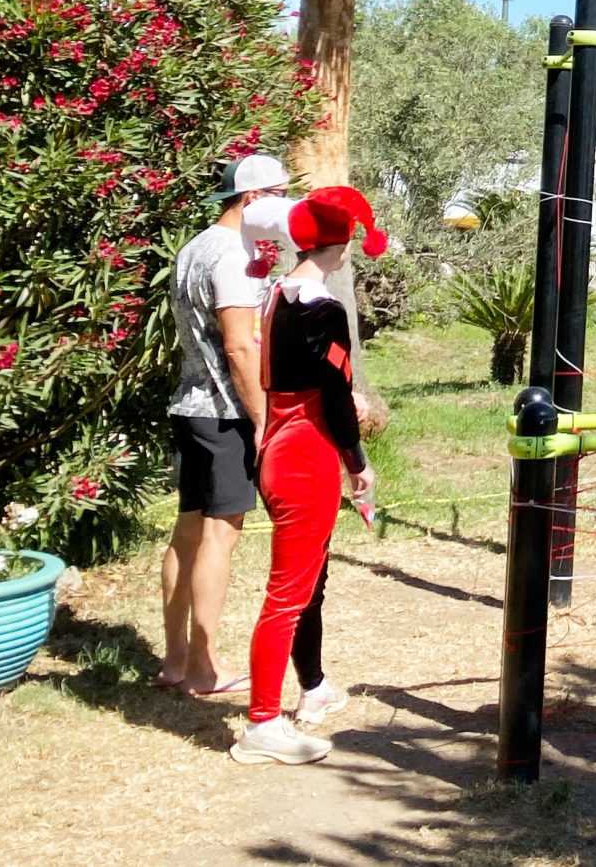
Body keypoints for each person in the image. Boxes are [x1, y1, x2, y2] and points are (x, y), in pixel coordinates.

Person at [229, 185, 387, 766]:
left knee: (296, 589)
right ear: (342, 246)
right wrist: (359, 463)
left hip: (277, 440)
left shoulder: (275, 296)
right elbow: (336, 397)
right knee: (287, 596)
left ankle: (304, 690)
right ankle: (263, 722)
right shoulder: (325, 309)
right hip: (307, 453)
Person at [156, 155, 287, 695]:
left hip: (189, 407)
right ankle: (205, 669)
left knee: (187, 533)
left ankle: (175, 661)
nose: (286, 209)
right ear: (253, 200)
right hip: (225, 414)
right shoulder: (234, 256)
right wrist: (262, 421)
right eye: (280, 196)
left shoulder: (195, 246)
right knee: (218, 536)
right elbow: (238, 344)